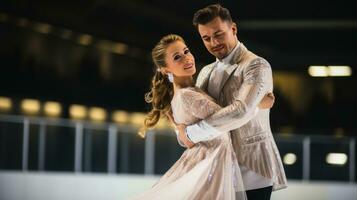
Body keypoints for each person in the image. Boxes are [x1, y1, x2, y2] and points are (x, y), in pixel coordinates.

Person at [131, 34, 274, 200]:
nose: (187, 58)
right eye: (177, 57)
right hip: (210, 168)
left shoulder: (193, 89)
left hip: (214, 164)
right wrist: (256, 104)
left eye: (186, 51)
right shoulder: (186, 96)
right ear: (166, 70)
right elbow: (228, 119)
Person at [176, 4, 287, 200]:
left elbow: (240, 111)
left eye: (219, 34)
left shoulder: (256, 65)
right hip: (217, 171)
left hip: (253, 171)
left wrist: (191, 134)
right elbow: (189, 114)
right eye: (206, 38)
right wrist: (182, 133)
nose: (213, 42)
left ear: (233, 29)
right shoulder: (206, 71)